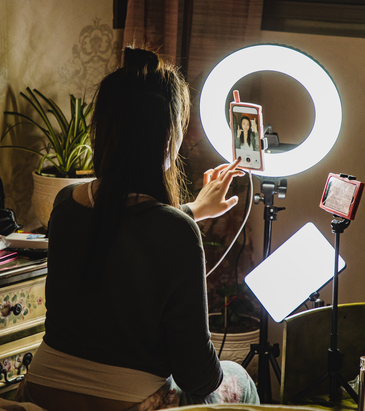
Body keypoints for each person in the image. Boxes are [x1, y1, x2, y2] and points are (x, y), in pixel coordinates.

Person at [16, 47, 259, 411]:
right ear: (167, 140)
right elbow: (199, 377)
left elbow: (124, 233)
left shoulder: (65, 205)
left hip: (40, 390)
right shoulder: (176, 233)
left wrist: (192, 210)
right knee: (239, 379)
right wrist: (184, 220)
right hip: (128, 403)